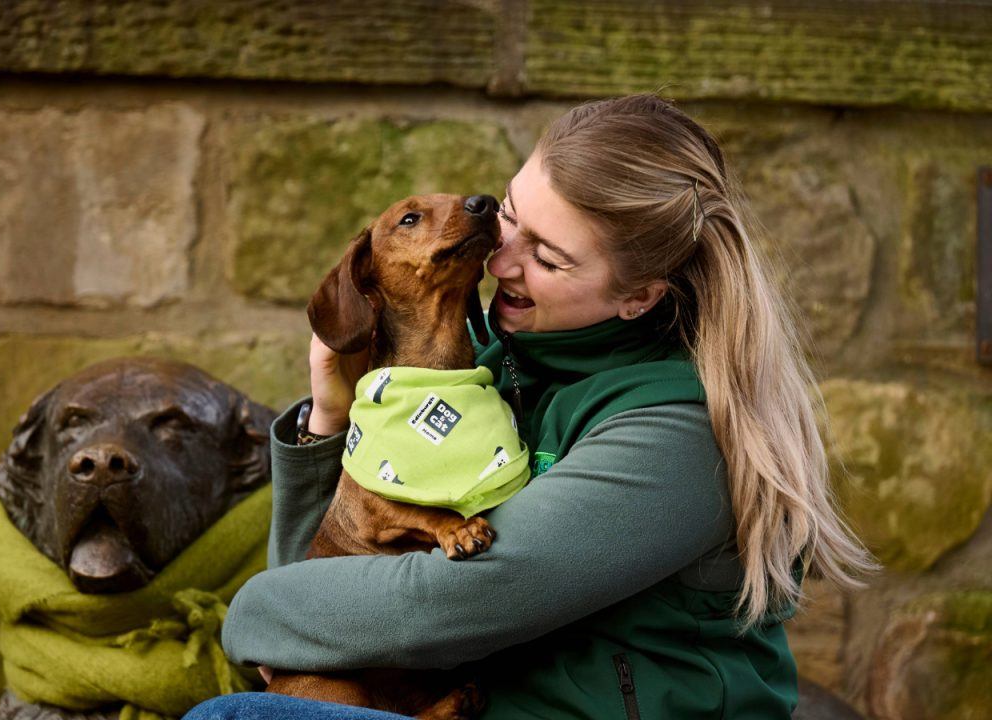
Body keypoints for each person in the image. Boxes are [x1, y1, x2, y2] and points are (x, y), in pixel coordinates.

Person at [184, 94, 874, 720]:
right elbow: (325, 590)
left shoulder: (675, 432)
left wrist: (249, 611)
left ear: (640, 296)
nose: (502, 261)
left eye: (548, 257)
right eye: (511, 217)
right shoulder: (483, 369)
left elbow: (447, 604)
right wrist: (330, 420)